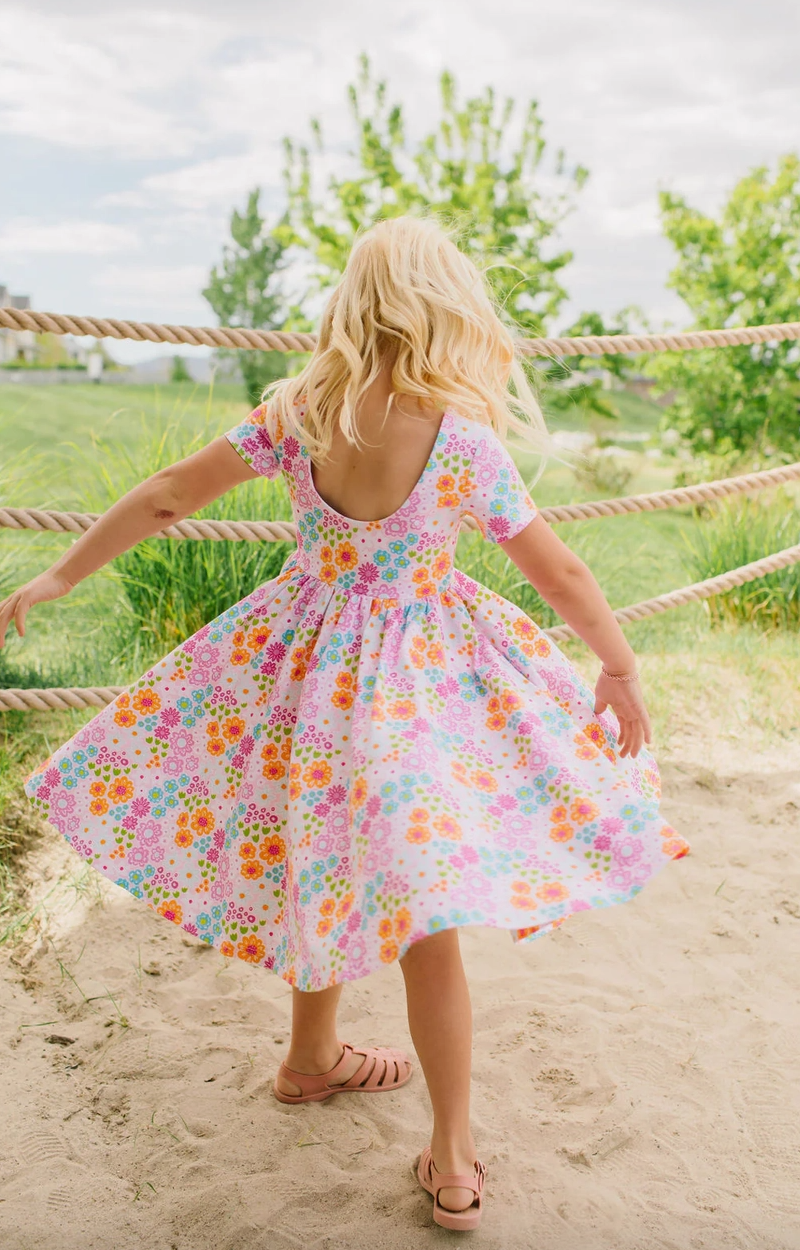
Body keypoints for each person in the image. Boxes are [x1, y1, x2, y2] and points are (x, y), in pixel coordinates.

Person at [0, 215, 689, 1232]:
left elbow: (162, 497)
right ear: (443, 308)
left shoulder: (299, 412)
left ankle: (311, 1056)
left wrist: (61, 571)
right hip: (414, 691)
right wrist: (618, 665)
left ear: (352, 305)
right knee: (425, 919)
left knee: (311, 852)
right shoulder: (459, 439)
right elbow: (561, 571)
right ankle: (447, 1149)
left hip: (301, 678)